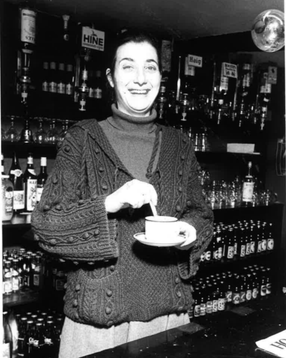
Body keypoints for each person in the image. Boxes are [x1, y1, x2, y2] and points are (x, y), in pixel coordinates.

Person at [31, 29, 214, 358]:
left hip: (168, 322)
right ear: (111, 78)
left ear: (161, 76)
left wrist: (189, 233)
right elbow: (46, 226)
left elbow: (201, 216)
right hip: (97, 328)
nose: (140, 78)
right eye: (128, 66)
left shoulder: (180, 144)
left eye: (151, 67)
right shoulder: (82, 139)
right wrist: (110, 202)